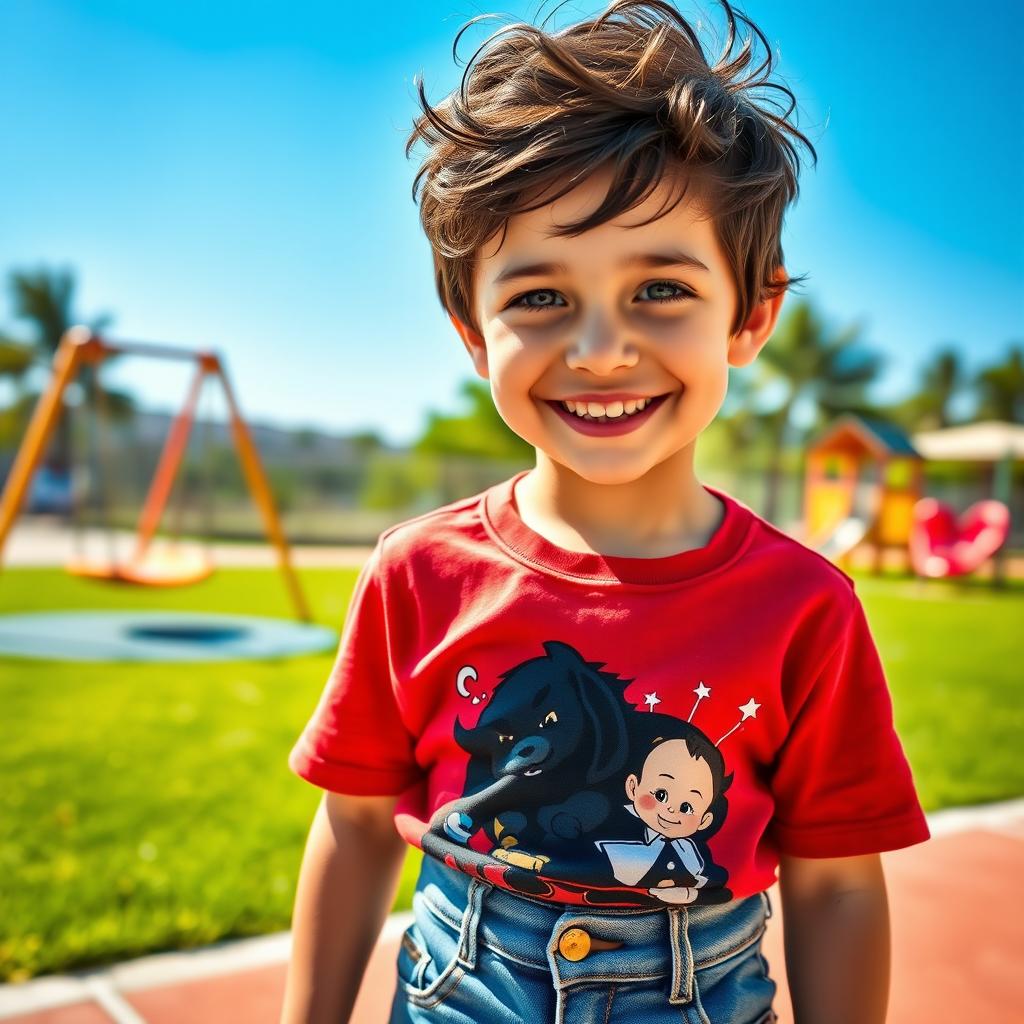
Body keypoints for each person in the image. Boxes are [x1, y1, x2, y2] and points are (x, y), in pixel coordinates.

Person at [279, 2, 930, 1021]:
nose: (599, 351)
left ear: (751, 315)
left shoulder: (809, 608)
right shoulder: (416, 572)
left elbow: (838, 885)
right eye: (539, 298)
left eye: (660, 289)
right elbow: (355, 826)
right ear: (472, 332)